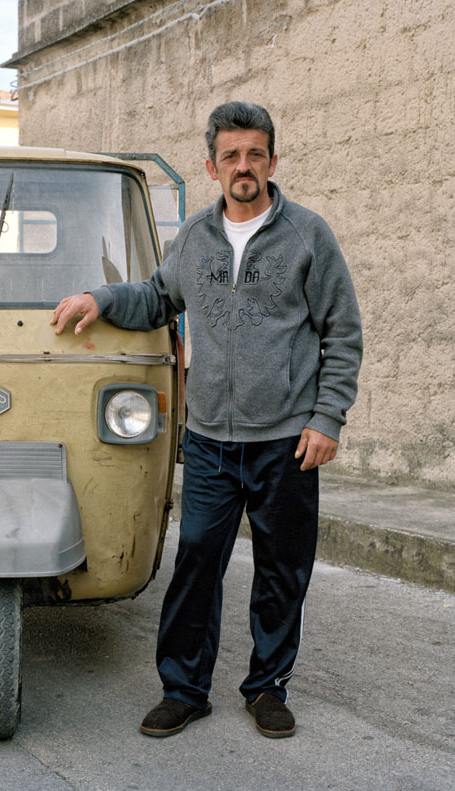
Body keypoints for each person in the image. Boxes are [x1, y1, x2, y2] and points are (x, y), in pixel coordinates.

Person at [51, 101, 362, 739]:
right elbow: (157, 297)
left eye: (254, 154)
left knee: (282, 570)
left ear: (273, 161)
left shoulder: (309, 235)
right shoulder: (194, 236)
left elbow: (343, 333)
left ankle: (268, 688)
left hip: (287, 440)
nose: (243, 167)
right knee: (195, 562)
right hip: (212, 442)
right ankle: (185, 689)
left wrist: (327, 418)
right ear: (213, 166)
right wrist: (99, 298)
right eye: (230, 156)